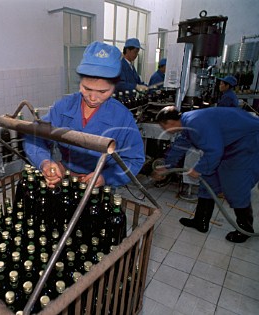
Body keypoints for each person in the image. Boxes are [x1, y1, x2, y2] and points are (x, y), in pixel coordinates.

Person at [24, 41, 145, 188]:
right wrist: (45, 162)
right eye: (87, 89)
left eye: (102, 92)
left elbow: (134, 159)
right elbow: (34, 136)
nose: (93, 98)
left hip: (99, 184)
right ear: (80, 82)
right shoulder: (63, 107)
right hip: (66, 177)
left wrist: (105, 177)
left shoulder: (122, 117)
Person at [152, 106, 259, 243]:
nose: (165, 131)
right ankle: (200, 221)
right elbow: (180, 146)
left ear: (170, 123)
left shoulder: (196, 122)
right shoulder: (186, 125)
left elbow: (214, 151)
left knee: (235, 185)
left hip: (248, 142)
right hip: (229, 145)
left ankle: (246, 228)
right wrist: (166, 166)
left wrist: (198, 169)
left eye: (163, 127)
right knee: (208, 182)